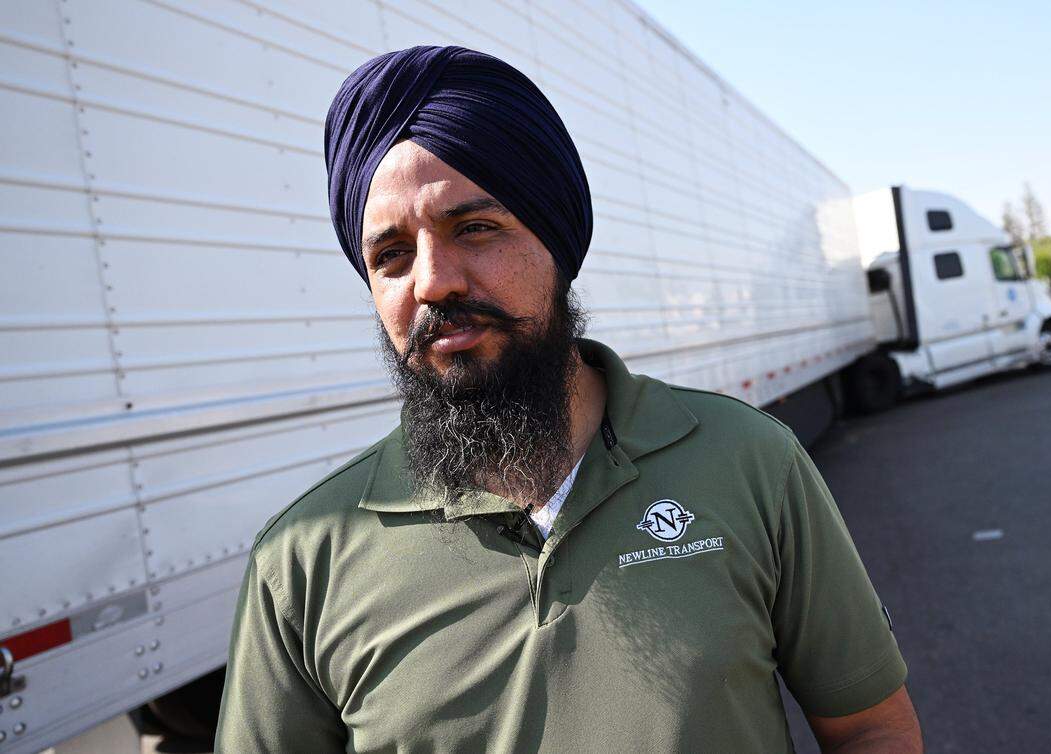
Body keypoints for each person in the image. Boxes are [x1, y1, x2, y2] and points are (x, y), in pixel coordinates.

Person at [215, 45, 922, 753]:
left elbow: (872, 729)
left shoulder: (750, 460)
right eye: (391, 256)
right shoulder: (301, 561)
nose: (432, 283)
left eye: (475, 229)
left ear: (557, 243)